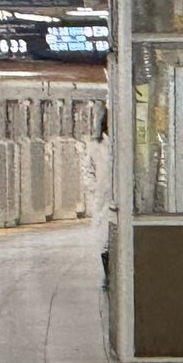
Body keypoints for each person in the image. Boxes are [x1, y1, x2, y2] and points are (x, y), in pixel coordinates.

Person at [82, 113, 113, 284]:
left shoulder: (122, 144)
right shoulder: (96, 146)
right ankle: (107, 272)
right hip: (102, 198)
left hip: (117, 198)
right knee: (103, 236)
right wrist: (94, 188)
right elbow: (87, 169)